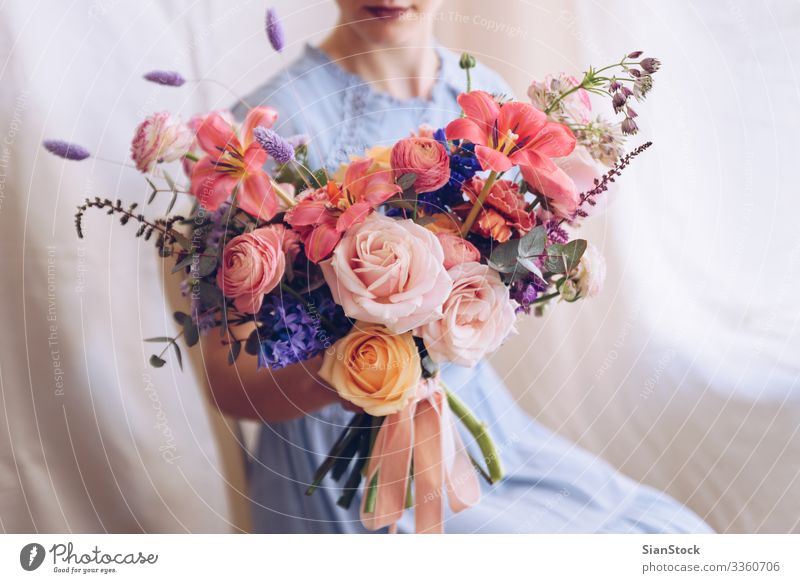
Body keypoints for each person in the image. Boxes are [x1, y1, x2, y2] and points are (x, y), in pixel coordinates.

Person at [202, 0, 713, 533]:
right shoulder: (261, 135)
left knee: (669, 532)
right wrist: (368, 359)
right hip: (338, 467)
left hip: (477, 426)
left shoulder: (488, 104)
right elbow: (228, 382)